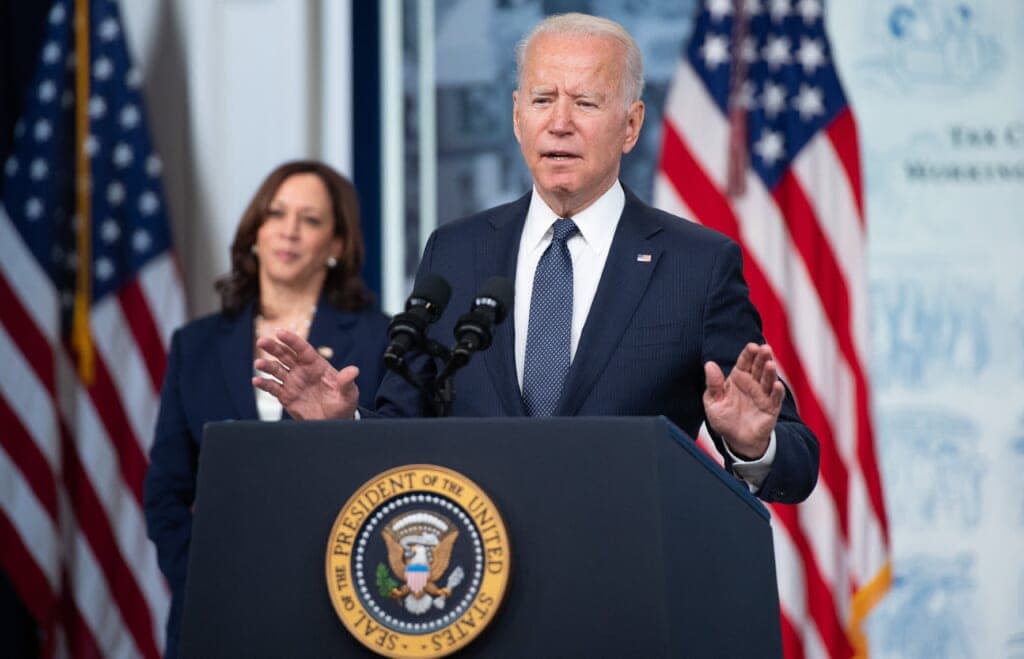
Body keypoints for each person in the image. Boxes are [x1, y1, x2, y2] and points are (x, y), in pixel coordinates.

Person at [254, 14, 819, 505]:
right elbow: (405, 424)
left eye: (586, 102)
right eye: (543, 100)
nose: (560, 122)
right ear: (518, 115)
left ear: (630, 125)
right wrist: (342, 426)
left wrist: (753, 441)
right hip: (476, 584)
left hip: (624, 583)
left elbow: (797, 462)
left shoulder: (697, 265)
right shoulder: (455, 251)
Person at [143, 160, 390, 658]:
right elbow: (166, 492)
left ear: (338, 246)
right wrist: (206, 575)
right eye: (276, 214)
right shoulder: (196, 345)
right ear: (255, 230)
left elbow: (394, 466)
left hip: (334, 608)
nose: (289, 230)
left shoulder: (380, 338)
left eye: (311, 219)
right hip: (214, 611)